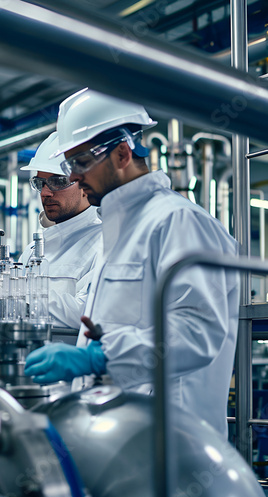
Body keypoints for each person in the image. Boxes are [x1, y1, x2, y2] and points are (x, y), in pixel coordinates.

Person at [25, 88, 239, 439]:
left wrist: (100, 357)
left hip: (173, 446)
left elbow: (198, 334)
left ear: (122, 153)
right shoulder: (121, 231)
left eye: (79, 163)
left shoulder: (178, 222)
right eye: (70, 166)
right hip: (121, 439)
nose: (74, 178)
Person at [19, 131, 103, 329]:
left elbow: (89, 313)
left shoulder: (104, 243)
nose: (46, 193)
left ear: (85, 184)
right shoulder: (32, 249)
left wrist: (20, 297)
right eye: (40, 183)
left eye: (58, 181)